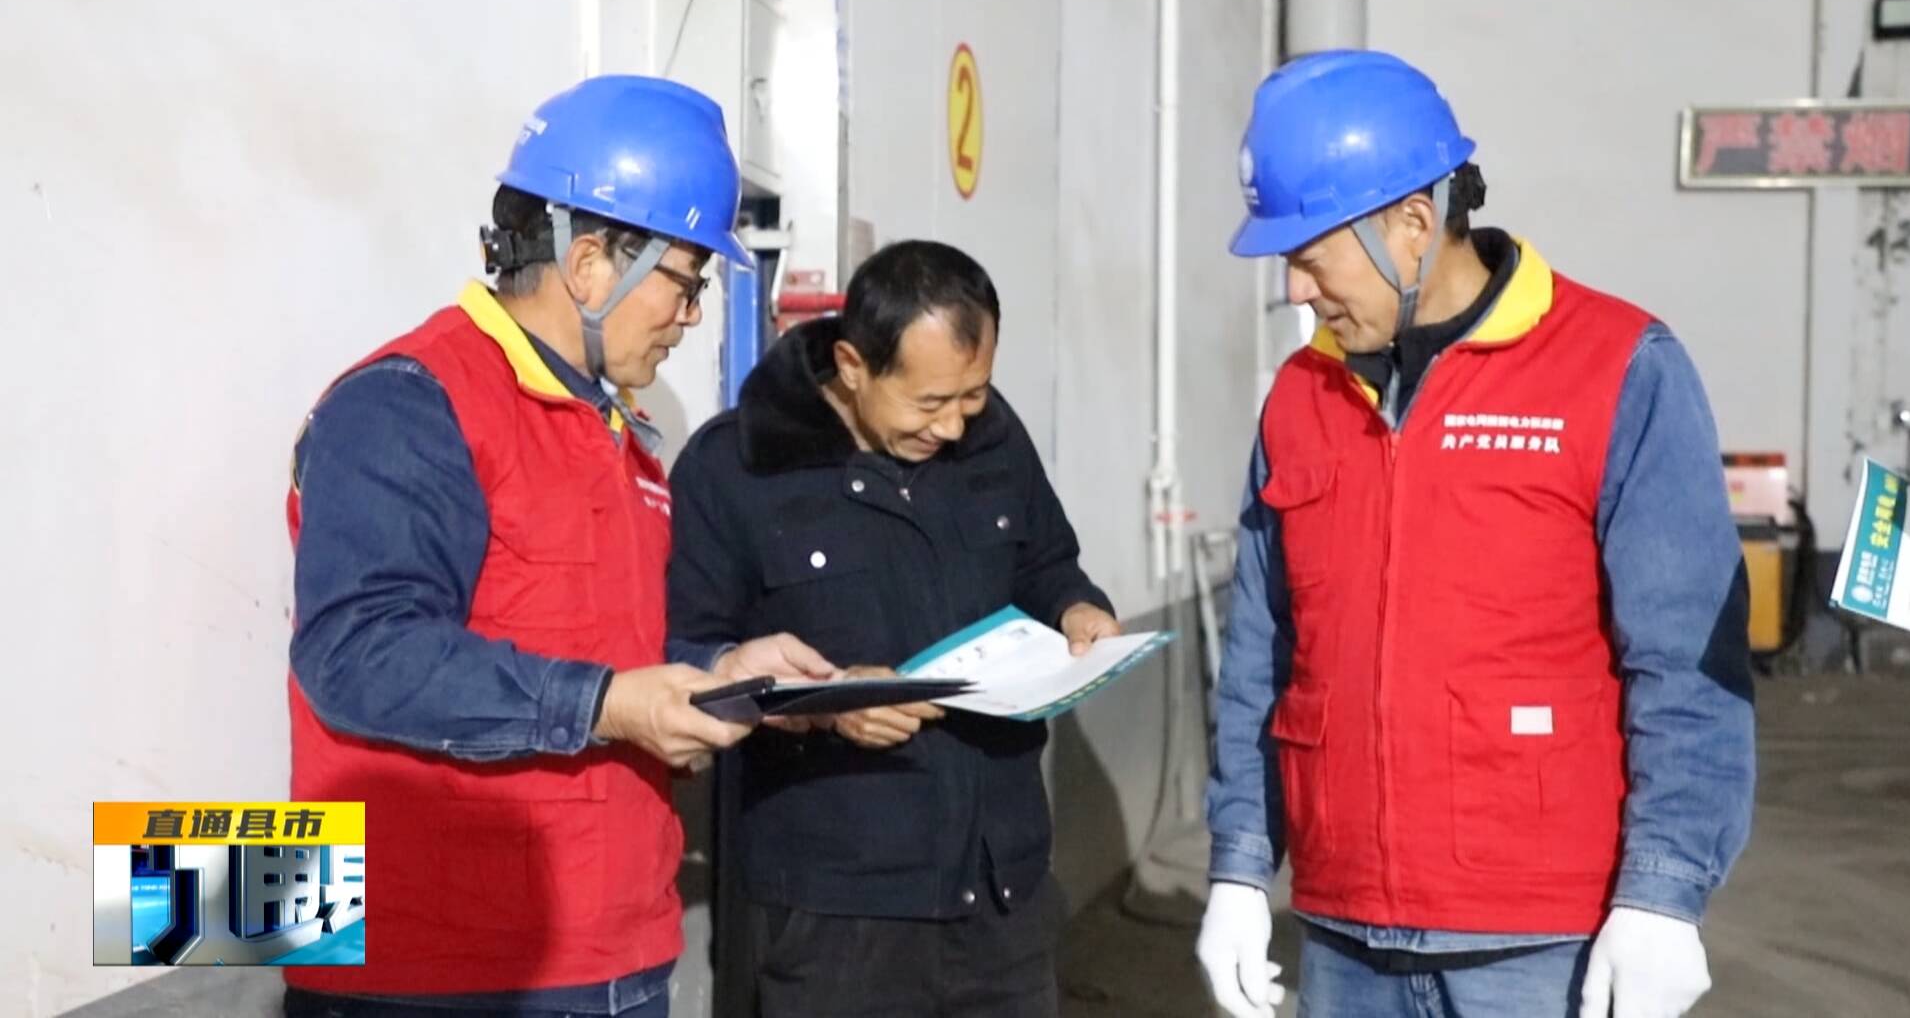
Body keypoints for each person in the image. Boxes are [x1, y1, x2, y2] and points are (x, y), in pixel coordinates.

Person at [1195, 50, 1757, 1018]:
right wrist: (1242, 866)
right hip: (1342, 938)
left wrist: (1663, 893)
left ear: (1413, 225)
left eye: (1311, 256)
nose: (1294, 289)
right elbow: (1261, 651)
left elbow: (1687, 661)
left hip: (1541, 945)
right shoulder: (1302, 396)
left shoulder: (1616, 369)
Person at [283, 75, 832, 1017]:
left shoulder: (616, 434)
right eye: (685, 283)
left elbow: (594, 649)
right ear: (588, 265)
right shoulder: (411, 402)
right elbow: (356, 653)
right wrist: (611, 705)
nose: (692, 316)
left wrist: (721, 672)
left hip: (611, 948)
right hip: (436, 976)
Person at [666, 239, 1122, 1017]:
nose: (954, 426)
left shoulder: (994, 439)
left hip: (1002, 895)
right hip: (835, 916)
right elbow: (686, 657)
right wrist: (827, 707)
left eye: (973, 394)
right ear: (852, 365)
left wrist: (1077, 608)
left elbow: (1047, 563)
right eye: (930, 402)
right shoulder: (737, 469)